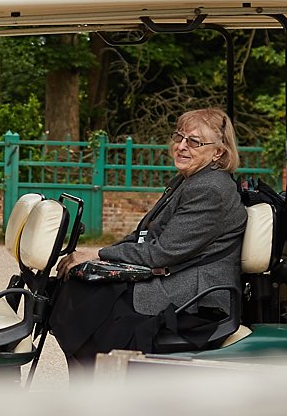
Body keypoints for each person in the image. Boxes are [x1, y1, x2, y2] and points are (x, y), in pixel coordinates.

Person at [49, 108, 248, 374]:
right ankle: (89, 380)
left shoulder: (211, 189)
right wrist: (98, 256)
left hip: (197, 298)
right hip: (177, 276)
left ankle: (102, 384)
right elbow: (144, 234)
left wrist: (100, 254)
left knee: (89, 298)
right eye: (179, 137)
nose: (181, 146)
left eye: (194, 142)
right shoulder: (188, 180)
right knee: (76, 285)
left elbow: (161, 253)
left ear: (218, 152)